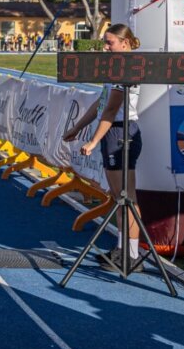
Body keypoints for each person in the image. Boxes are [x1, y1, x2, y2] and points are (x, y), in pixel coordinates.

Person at [61, 23, 144, 271]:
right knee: (119, 196)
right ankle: (122, 249)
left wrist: (94, 140)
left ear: (125, 43)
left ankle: (131, 253)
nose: (105, 47)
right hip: (114, 131)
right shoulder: (114, 68)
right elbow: (101, 102)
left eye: (110, 43)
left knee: (126, 197)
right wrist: (78, 127)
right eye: (105, 42)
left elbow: (111, 109)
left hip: (121, 131)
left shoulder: (127, 68)